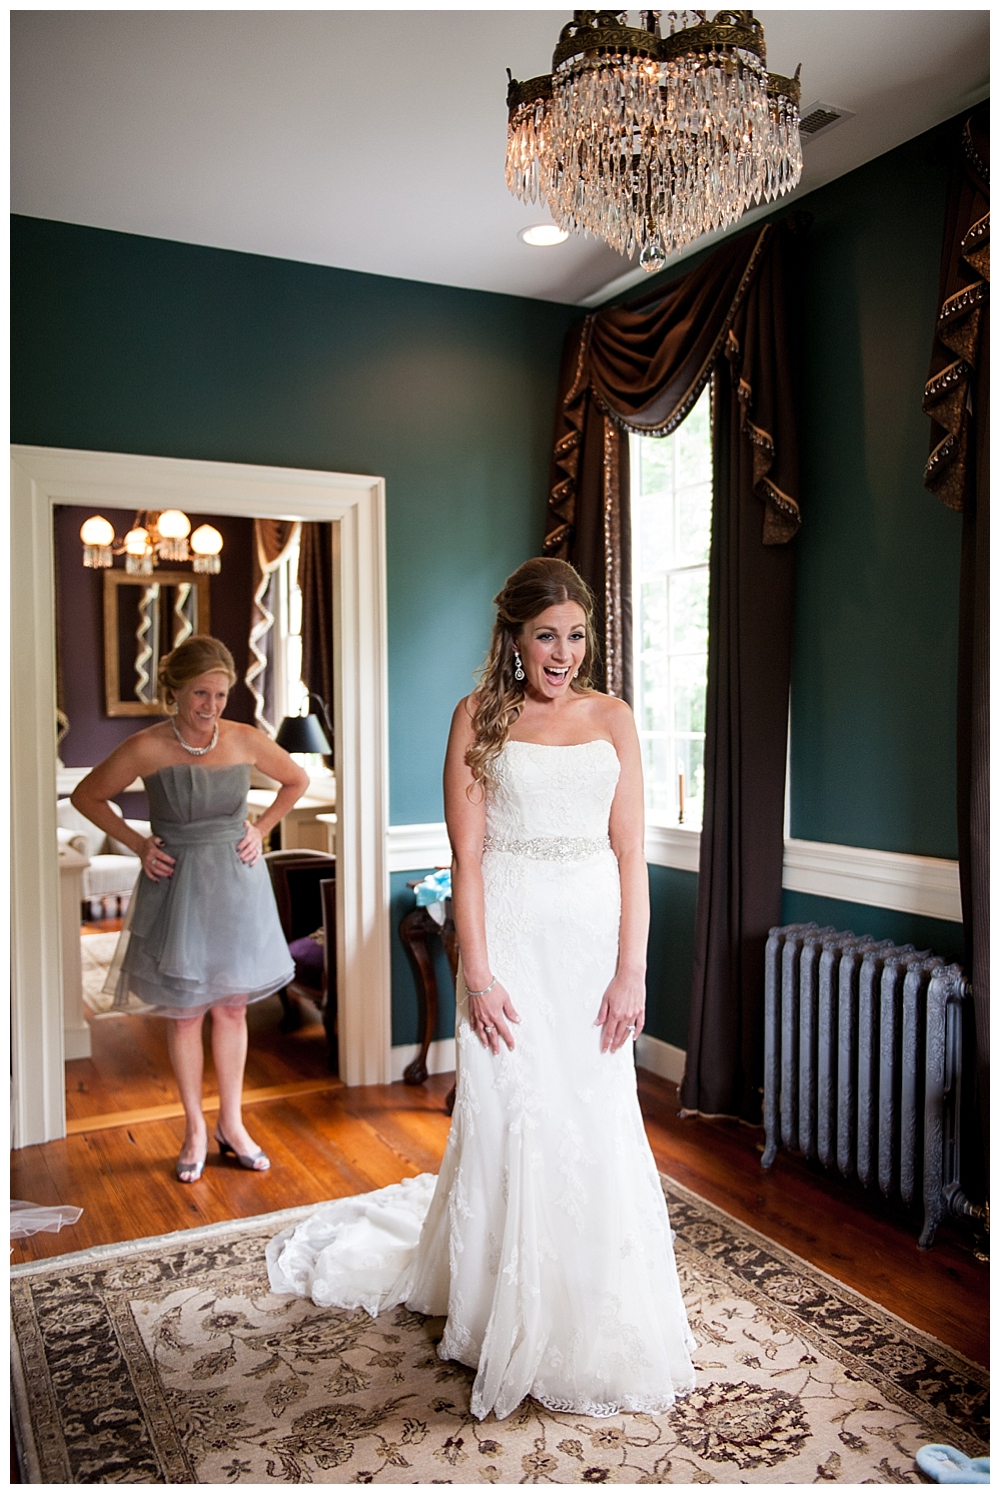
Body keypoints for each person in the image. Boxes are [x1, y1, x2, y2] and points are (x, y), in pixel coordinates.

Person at [267, 558, 696, 1420]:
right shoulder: (478, 717)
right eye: (547, 635)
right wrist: (479, 970)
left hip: (591, 948)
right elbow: (468, 857)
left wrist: (631, 971)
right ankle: (498, 1307)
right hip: (512, 944)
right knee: (509, 1113)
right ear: (514, 636)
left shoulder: (615, 720)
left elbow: (629, 857)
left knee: (591, 1116)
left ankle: (588, 1305)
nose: (563, 653)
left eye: (576, 636)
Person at [71, 634, 309, 1184]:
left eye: (221, 695)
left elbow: (296, 779)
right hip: (175, 887)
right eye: (200, 694)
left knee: (231, 1008)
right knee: (184, 1013)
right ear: (173, 691)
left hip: (236, 884)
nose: (211, 706)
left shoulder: (246, 738)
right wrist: (137, 844)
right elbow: (86, 795)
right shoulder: (147, 746)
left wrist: (262, 828)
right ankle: (194, 1130)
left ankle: (233, 1123)